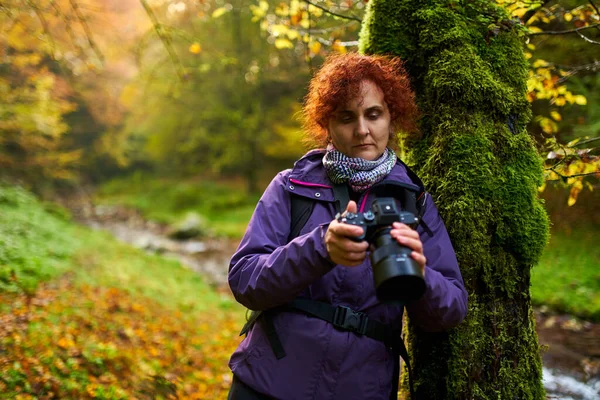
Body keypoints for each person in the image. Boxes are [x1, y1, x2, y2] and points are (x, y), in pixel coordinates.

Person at [227, 53, 468, 400]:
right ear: (328, 124)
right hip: (268, 383)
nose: (362, 130)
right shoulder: (291, 186)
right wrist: (319, 248)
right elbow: (245, 280)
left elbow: (451, 309)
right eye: (346, 117)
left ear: (391, 118)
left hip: (360, 388)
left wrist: (420, 274)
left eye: (373, 114)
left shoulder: (414, 201)